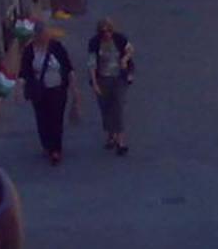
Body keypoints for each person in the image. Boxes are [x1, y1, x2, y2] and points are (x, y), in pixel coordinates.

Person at [21, 23, 76, 164]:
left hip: (58, 89)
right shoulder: (29, 50)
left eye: (46, 34)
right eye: (42, 35)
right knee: (43, 119)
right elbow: (24, 72)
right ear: (37, 36)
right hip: (39, 91)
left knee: (57, 118)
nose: (45, 37)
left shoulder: (56, 47)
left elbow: (68, 67)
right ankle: (47, 144)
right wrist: (19, 89)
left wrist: (74, 89)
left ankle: (56, 149)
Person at [87, 18, 135, 156]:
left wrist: (125, 59)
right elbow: (92, 64)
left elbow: (130, 49)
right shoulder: (94, 43)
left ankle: (121, 141)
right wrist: (95, 83)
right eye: (104, 32)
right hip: (103, 79)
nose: (107, 34)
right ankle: (110, 133)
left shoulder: (119, 39)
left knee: (118, 106)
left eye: (109, 30)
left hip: (119, 77)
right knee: (106, 107)